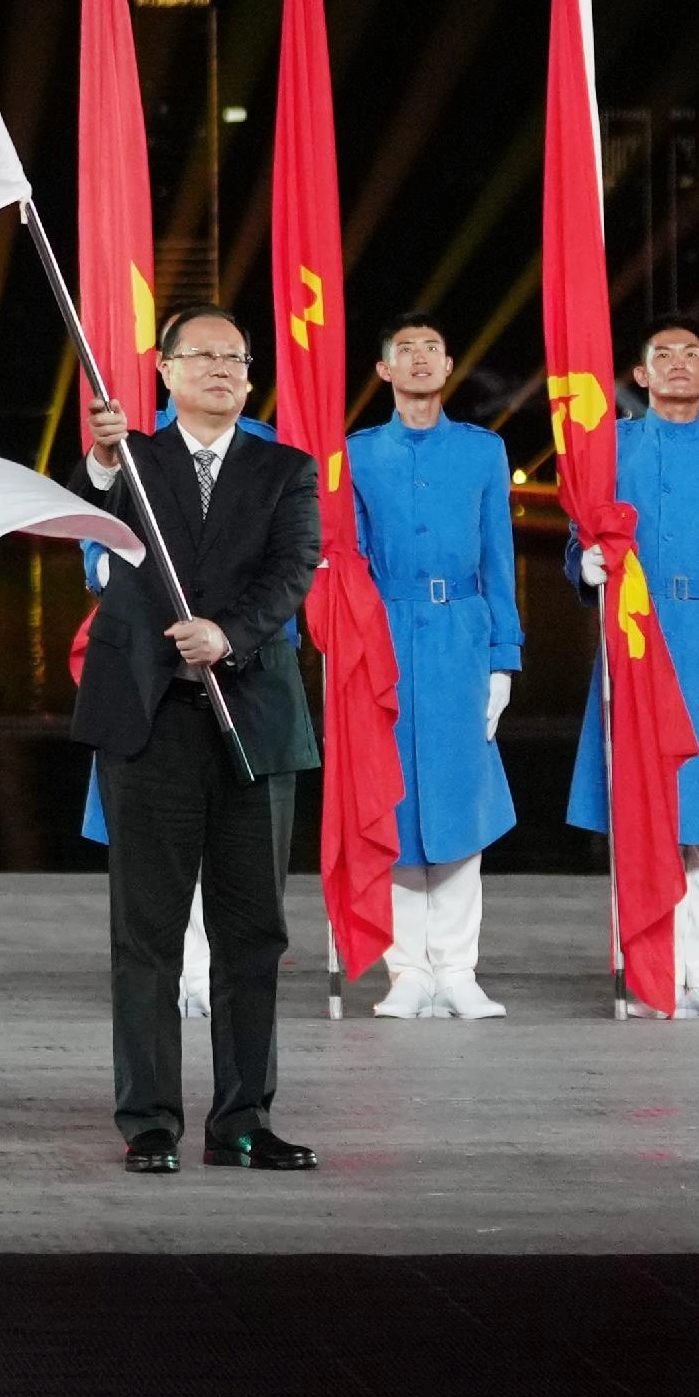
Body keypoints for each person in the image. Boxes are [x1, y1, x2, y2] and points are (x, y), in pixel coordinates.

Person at [80, 301, 325, 1174]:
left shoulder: (286, 469)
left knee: (253, 931)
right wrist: (103, 460)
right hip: (150, 721)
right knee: (145, 932)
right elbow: (92, 520)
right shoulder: (133, 463)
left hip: (252, 719)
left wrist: (229, 634)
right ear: (166, 372)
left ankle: (243, 1119)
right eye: (203, 356)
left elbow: (292, 570)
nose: (222, 369)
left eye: (236, 359)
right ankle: (149, 1121)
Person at [566, 317, 699, 1020]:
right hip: (639, 637)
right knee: (643, 806)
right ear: (641, 375)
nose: (680, 363)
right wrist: (583, 563)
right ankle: (653, 971)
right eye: (664, 354)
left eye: (693, 353)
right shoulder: (611, 446)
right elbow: (581, 532)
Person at [350, 311, 522, 1020]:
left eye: (432, 348)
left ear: (449, 366)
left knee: (459, 800)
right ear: (384, 370)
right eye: (406, 349)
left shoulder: (483, 452)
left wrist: (503, 658)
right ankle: (407, 971)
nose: (420, 358)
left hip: (461, 637)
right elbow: (350, 561)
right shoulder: (358, 454)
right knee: (394, 802)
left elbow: (499, 558)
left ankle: (457, 969)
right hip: (384, 637)